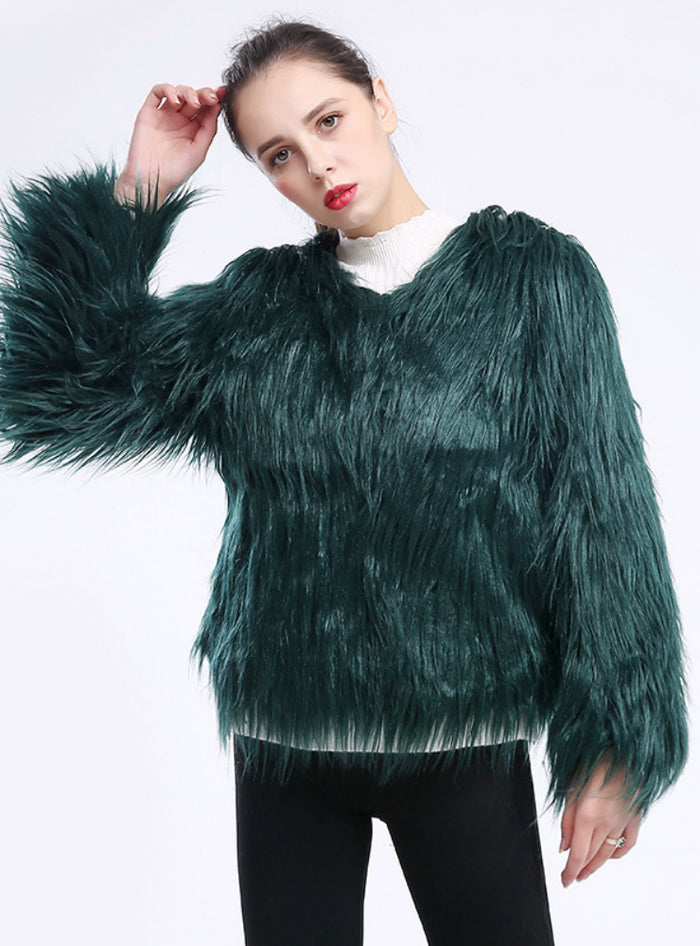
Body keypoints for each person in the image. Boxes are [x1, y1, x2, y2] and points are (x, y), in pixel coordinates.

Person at [0, 14, 688, 946]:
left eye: (328, 121)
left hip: (462, 738)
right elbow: (60, 394)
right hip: (285, 745)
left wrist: (617, 743)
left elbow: (602, 512)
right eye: (278, 154)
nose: (317, 164)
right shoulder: (256, 312)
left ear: (381, 103)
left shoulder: (534, 281)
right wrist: (140, 193)